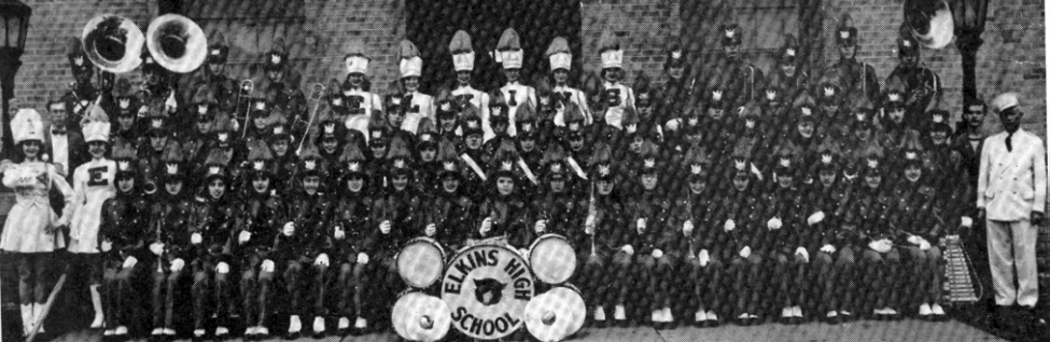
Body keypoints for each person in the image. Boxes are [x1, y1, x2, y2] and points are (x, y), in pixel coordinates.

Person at [0, 109, 74, 337]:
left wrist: (61, 221)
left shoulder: (49, 169)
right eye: (26, 144)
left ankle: (39, 323)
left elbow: (70, 196)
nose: (31, 148)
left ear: (39, 146)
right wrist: (18, 171)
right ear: (21, 146)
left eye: (34, 144)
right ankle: (26, 324)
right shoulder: (14, 169)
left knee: (41, 274)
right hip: (22, 223)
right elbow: (9, 181)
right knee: (25, 274)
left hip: (43, 221)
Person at [978, 92, 1047, 329]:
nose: (1010, 118)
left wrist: (1038, 206)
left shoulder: (1033, 142)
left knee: (1025, 258)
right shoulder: (991, 143)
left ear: (1021, 114)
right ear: (1000, 118)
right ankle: (1004, 303)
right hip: (996, 206)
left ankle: (1028, 303)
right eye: (1005, 115)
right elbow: (983, 176)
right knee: (999, 259)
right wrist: (980, 203)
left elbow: (1040, 179)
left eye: (1013, 113)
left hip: (1022, 208)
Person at [275, 143, 335, 339]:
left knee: (322, 269)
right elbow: (282, 225)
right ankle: (294, 317)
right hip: (296, 252)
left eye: (314, 180)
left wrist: (325, 251)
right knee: (293, 269)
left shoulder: (325, 202)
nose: (311, 185)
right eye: (307, 180)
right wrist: (285, 230)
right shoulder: (291, 201)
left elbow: (328, 227)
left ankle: (319, 317)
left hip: (317, 251)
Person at [67, 107, 117, 330]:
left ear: (106, 145)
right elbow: (78, 200)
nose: (96, 147)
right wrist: (75, 230)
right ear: (88, 147)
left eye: (100, 144)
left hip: (111, 220)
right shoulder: (80, 170)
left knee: (112, 269)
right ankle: (99, 314)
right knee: (94, 271)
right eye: (92, 144)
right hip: (89, 223)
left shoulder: (114, 166)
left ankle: (115, 313)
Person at [97, 139, 149, 340]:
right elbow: (103, 228)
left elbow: (147, 232)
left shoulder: (142, 204)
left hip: (134, 254)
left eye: (128, 178)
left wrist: (136, 253)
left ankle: (124, 324)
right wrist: (102, 241)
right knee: (109, 278)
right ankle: (111, 324)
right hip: (114, 253)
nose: (125, 182)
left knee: (125, 278)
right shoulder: (108, 203)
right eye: (121, 179)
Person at [235, 140, 284, 340]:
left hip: (270, 253)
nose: (260, 182)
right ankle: (249, 324)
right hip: (249, 254)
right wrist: (240, 236)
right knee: (247, 278)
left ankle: (263, 324)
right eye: (256, 178)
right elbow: (237, 228)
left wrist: (273, 256)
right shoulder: (245, 203)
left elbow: (281, 232)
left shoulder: (276, 203)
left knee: (265, 278)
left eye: (264, 178)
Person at [187, 149, 237, 340]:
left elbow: (232, 233)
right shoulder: (198, 206)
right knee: (199, 280)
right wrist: (193, 236)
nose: (217, 188)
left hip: (222, 256)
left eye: (220, 184)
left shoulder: (231, 207)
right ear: (207, 186)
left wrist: (225, 257)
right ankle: (199, 325)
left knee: (221, 279)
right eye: (213, 184)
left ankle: (222, 323)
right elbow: (192, 228)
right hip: (203, 257)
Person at [146, 141, 192, 340]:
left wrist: (182, 257)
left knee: (173, 281)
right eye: (169, 182)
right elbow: (150, 232)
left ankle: (170, 324)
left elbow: (193, 235)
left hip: (183, 256)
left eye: (177, 182)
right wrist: (152, 245)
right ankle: (157, 325)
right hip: (162, 255)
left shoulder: (189, 206)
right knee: (158, 281)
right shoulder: (158, 206)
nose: (173, 186)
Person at [331, 142, 377, 335]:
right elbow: (335, 226)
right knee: (343, 271)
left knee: (359, 271)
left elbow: (374, 229)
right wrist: (336, 232)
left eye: (358, 178)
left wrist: (366, 250)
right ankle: (343, 314)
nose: (355, 182)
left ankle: (360, 315)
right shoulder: (340, 203)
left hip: (366, 250)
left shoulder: (371, 202)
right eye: (351, 178)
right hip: (345, 250)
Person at [444, 31, 492, 140]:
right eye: (461, 72)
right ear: (456, 74)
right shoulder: (450, 96)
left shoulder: (481, 96)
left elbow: (485, 122)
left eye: (466, 72)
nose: (464, 76)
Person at [827, 14, 880, 103]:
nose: (847, 48)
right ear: (838, 46)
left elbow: (876, 101)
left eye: (850, 44)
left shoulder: (867, 71)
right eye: (843, 45)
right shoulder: (831, 73)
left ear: (855, 45)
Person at [495, 28, 537, 137]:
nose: (512, 73)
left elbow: (533, 116)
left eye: (515, 70)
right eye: (509, 70)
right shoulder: (499, 92)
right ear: (504, 71)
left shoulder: (528, 91)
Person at [545, 36, 592, 126]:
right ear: (553, 74)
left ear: (568, 73)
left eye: (564, 72)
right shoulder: (549, 95)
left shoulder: (577, 94)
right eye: (558, 72)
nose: (561, 75)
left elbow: (588, 118)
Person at [596, 29, 635, 129]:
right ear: (604, 71)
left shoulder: (627, 91)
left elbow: (631, 115)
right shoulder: (599, 89)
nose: (612, 73)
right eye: (609, 70)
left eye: (615, 70)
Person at [396, 39, 435, 132]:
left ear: (419, 80)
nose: (411, 82)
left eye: (414, 78)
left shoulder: (427, 99)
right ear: (404, 81)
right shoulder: (398, 100)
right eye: (408, 79)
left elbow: (433, 121)